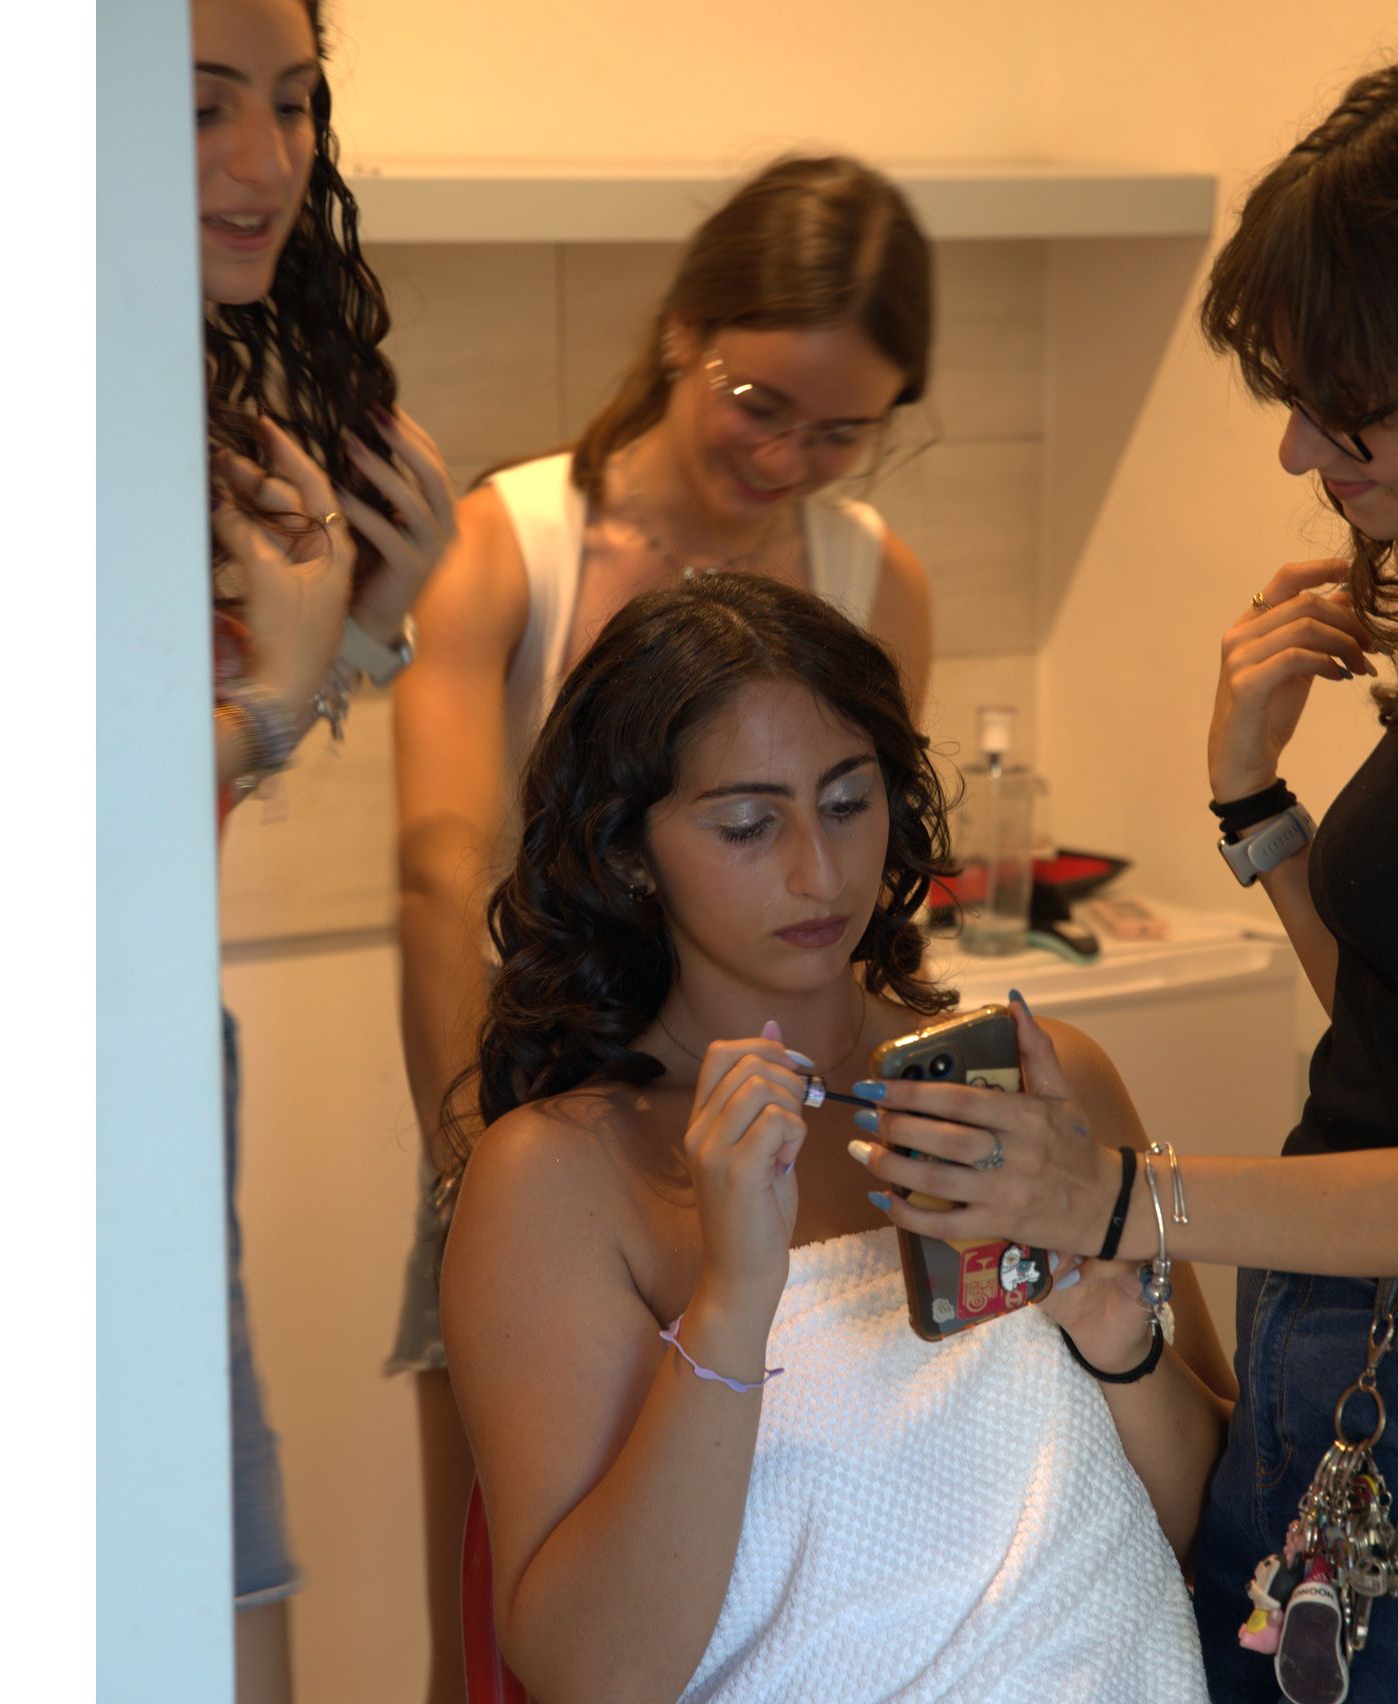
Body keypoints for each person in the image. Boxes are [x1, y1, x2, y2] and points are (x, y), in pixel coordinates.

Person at [841, 35, 1398, 1703]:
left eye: (1342, 395)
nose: (1299, 450)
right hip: (1376, 1350)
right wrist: (1253, 806)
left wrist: (1119, 1197)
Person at [440, 572, 1230, 1702]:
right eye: (748, 825)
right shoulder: (560, 1177)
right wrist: (731, 1298)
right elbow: (595, 1675)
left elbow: (1218, 1539)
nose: (819, 871)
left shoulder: (1046, 1086)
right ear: (626, 852)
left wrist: (1117, 1335)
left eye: (850, 803)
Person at [387, 154, 936, 1697]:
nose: (790, 456)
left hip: (801, 1131)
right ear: (685, 330)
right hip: (546, 1110)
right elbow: (439, 874)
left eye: (841, 430)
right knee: (514, 1600)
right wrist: (483, 1169)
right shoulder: (514, 541)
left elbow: (857, 879)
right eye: (763, 403)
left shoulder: (872, 574)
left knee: (806, 1558)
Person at [195, 0, 455, 1697]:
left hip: (158, 1068)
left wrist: (352, 635)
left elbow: (157, 828)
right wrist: (281, 698)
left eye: (293, 103)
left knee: (229, 1589)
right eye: (199, 108)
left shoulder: (170, 398)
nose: (266, 162)